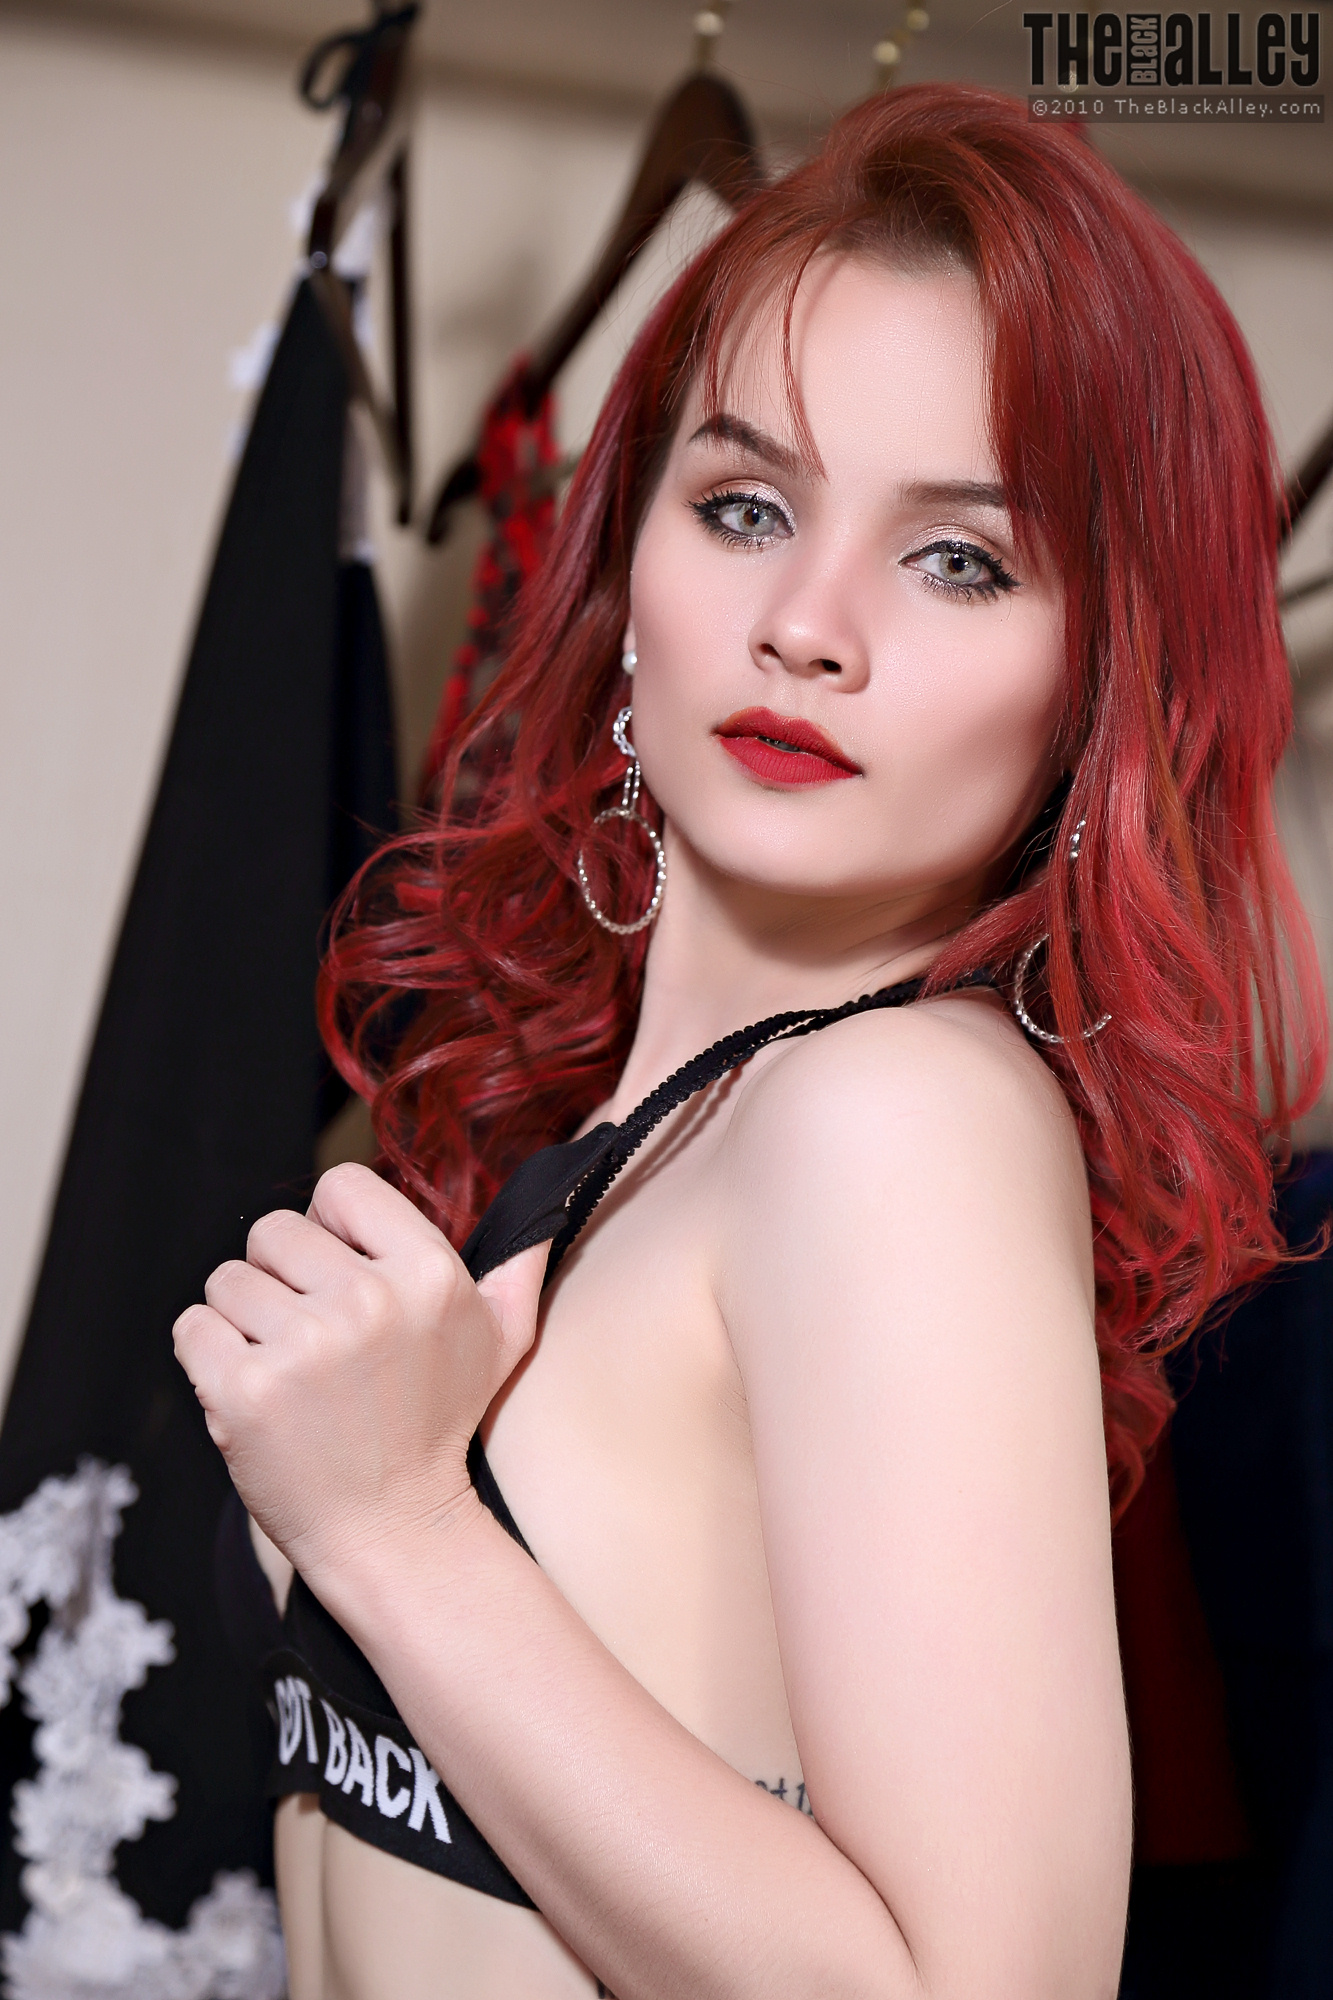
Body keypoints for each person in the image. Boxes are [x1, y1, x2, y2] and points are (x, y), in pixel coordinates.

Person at [174, 83, 1326, 2000]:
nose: (806, 623)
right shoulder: (626, 1128)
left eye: (959, 559)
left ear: (1095, 688)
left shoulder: (899, 1119)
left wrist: (395, 1527)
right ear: (628, 569)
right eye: (743, 507)